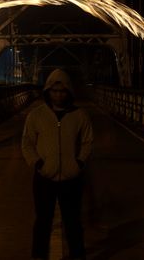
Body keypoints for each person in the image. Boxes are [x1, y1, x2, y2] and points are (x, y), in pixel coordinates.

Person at [21, 69, 94, 260]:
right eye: (54, 91)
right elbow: (27, 142)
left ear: (69, 92)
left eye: (62, 91)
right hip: (44, 177)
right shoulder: (36, 115)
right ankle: (38, 256)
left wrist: (79, 163)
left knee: (73, 222)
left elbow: (88, 142)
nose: (58, 95)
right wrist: (37, 163)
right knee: (42, 221)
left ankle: (78, 256)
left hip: (71, 178)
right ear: (48, 91)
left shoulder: (80, 116)